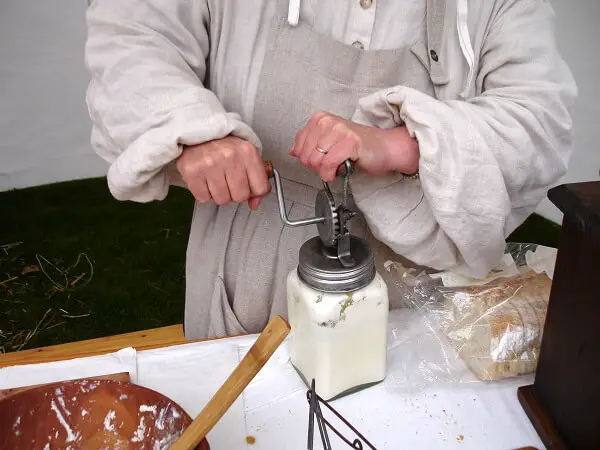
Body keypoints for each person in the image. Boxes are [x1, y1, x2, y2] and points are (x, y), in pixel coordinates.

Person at [84, 0, 577, 339]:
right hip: (251, 257)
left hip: (421, 285)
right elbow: (135, 31)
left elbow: (540, 119)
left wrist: (402, 144)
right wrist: (189, 126)